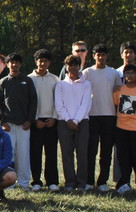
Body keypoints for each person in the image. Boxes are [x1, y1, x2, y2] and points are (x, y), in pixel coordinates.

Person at [0, 52, 37, 190]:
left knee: (24, 154)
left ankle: (24, 183)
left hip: (24, 125)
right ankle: (9, 182)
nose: (14, 65)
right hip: (8, 125)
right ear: (7, 65)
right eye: (11, 62)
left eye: (17, 63)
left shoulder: (27, 81)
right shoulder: (3, 82)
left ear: (20, 64)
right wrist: (2, 122)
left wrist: (30, 120)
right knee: (9, 154)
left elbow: (33, 102)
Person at [83, 44, 120, 191]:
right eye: (98, 54)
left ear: (107, 56)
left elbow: (118, 94)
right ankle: (89, 181)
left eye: (103, 54)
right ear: (93, 56)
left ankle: (102, 181)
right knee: (91, 151)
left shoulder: (114, 73)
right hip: (91, 116)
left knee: (106, 151)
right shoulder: (87, 73)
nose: (101, 57)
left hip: (109, 115)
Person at [55, 54, 92, 191]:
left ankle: (81, 183)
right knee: (67, 153)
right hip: (64, 122)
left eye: (76, 65)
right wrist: (68, 120)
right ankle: (70, 182)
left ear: (80, 66)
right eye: (70, 65)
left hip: (82, 122)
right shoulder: (60, 84)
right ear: (66, 67)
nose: (73, 68)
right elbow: (59, 105)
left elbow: (86, 104)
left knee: (82, 153)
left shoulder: (86, 84)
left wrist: (76, 120)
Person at [113, 63, 136, 194]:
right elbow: (116, 106)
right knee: (123, 157)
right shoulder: (118, 91)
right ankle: (125, 183)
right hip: (121, 128)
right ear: (124, 75)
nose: (130, 75)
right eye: (127, 73)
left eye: (132, 73)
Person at [29, 49, 60, 191]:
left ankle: (52, 181)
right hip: (36, 122)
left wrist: (54, 117)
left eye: (46, 61)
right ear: (36, 62)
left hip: (51, 121)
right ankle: (36, 181)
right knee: (35, 152)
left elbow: (58, 100)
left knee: (51, 152)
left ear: (49, 62)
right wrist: (35, 120)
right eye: (40, 60)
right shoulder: (29, 79)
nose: (43, 63)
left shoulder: (55, 79)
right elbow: (28, 102)